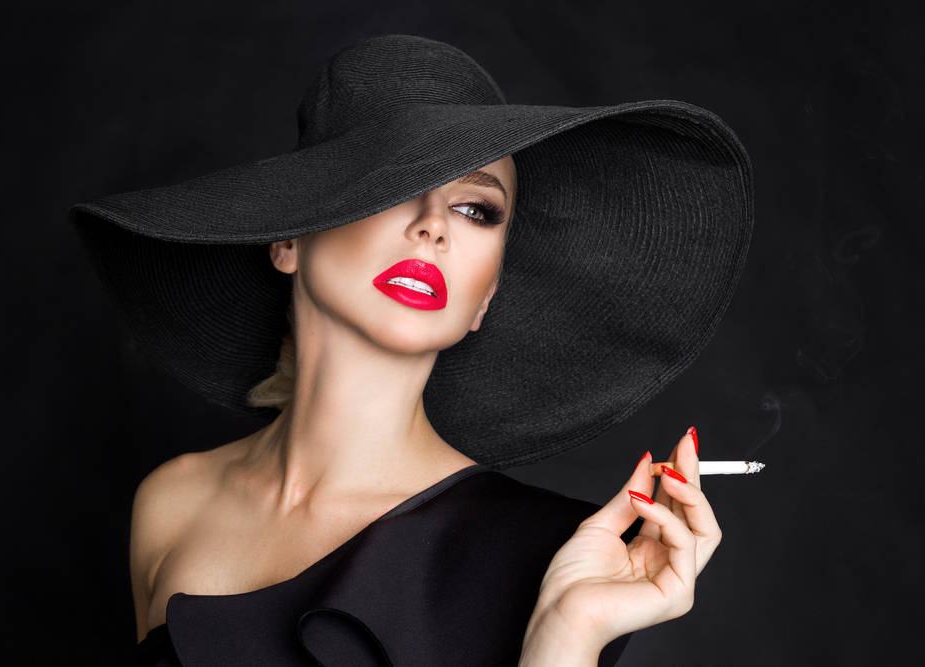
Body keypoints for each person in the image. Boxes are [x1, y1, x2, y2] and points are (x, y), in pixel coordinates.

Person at [70, 35, 752, 667]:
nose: (432, 227)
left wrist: (565, 635)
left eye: (476, 210)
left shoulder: (554, 556)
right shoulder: (172, 502)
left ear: (486, 295)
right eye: (395, 184)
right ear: (289, 238)